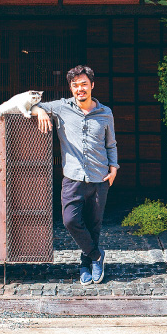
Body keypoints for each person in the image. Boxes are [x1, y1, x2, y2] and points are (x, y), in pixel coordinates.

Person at [32, 65, 118, 286]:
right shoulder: (61, 107)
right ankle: (97, 256)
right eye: (75, 85)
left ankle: (85, 263)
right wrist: (39, 110)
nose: (80, 89)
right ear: (70, 87)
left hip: (100, 179)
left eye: (84, 84)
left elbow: (111, 144)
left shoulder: (105, 112)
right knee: (70, 220)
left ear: (92, 86)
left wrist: (114, 168)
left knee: (94, 225)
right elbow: (28, 106)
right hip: (72, 178)